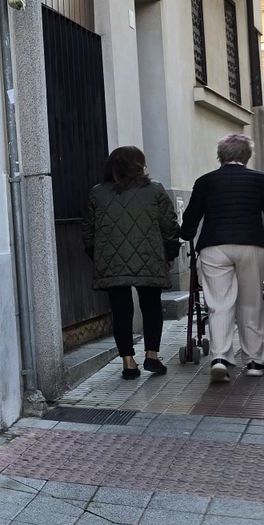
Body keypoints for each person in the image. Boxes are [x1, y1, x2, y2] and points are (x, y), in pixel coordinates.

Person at [84, 146, 179, 380]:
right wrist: (170, 253)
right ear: (139, 165)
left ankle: (128, 362)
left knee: (121, 311)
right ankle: (152, 356)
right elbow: (169, 225)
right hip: (149, 258)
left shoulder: (97, 193)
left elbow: (88, 231)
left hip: (112, 261)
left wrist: (98, 256)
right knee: (151, 306)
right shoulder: (154, 190)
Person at [179, 133, 264, 382]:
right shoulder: (260, 180)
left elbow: (190, 220)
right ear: (247, 156)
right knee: (251, 303)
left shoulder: (205, 181)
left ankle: (220, 359)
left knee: (219, 303)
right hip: (252, 245)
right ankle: (254, 361)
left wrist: (186, 234)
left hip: (214, 246)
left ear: (220, 156)